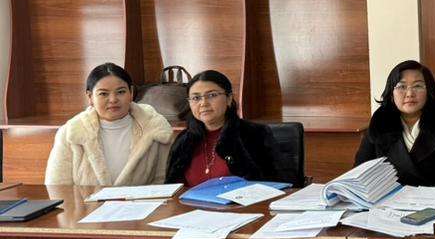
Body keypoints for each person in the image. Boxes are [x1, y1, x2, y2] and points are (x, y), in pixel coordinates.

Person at [45, 63, 174, 186]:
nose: (113, 99)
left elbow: (164, 181)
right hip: (86, 203)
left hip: (143, 202)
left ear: (131, 92)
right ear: (90, 97)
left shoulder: (155, 127)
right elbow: (57, 186)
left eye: (121, 92)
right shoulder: (70, 132)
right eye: (103, 94)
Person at [354, 60, 435, 187]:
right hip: (392, 197)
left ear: (428, 91)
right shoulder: (379, 124)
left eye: (417, 86)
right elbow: (360, 173)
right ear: (391, 93)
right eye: (401, 86)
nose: (410, 94)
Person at [165, 70, 279, 186]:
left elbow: (274, 185)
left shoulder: (255, 134)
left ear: (229, 98)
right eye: (196, 98)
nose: (203, 103)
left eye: (212, 95)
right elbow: (172, 188)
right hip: (190, 199)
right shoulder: (184, 141)